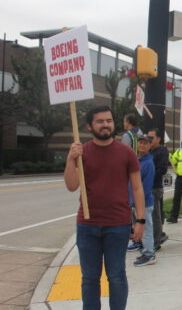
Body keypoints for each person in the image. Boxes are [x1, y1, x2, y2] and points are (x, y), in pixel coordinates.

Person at [64, 106, 145, 310]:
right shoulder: (82, 151)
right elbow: (71, 185)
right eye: (100, 121)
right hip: (87, 225)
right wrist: (71, 158)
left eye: (108, 120)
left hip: (117, 225)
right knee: (90, 278)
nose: (105, 125)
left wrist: (141, 221)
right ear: (90, 126)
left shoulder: (126, 152)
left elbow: (137, 188)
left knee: (116, 276)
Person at [127, 135, 156, 266]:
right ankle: (145, 251)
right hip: (135, 203)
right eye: (140, 143)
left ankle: (150, 255)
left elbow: (146, 188)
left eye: (145, 143)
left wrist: (138, 203)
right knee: (142, 230)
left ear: (150, 146)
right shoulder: (138, 161)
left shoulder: (149, 163)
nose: (142, 145)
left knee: (147, 230)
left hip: (144, 204)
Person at [147, 128, 170, 250]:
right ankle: (149, 240)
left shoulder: (161, 151)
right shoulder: (148, 151)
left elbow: (162, 169)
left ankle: (156, 242)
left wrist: (149, 176)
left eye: (152, 137)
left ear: (159, 139)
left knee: (155, 216)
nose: (149, 140)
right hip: (147, 187)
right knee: (148, 216)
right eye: (148, 137)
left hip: (155, 187)